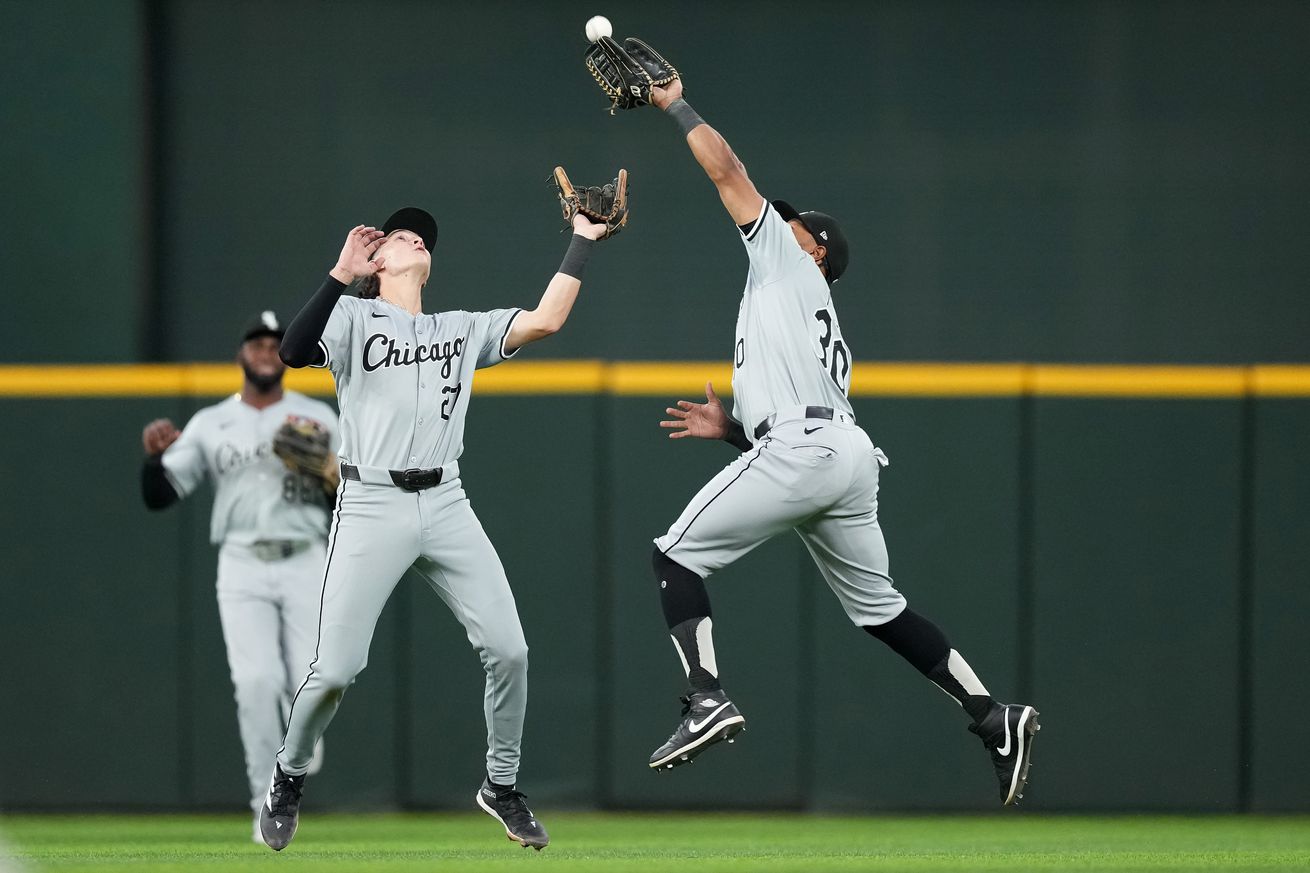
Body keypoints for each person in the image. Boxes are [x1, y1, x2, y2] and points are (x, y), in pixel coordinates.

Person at [632, 75, 1040, 805]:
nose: (773, 222)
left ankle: (707, 697)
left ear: (815, 251)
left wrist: (674, 105)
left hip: (809, 448)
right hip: (843, 456)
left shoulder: (785, 263)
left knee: (674, 552)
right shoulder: (792, 300)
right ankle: (993, 715)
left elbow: (726, 169)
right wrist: (734, 431)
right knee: (881, 609)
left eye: (793, 224)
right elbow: (796, 425)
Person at [259, 206, 610, 852]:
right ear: (379, 263)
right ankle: (289, 772)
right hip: (370, 501)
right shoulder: (352, 316)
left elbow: (548, 318)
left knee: (511, 649)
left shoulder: (460, 328)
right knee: (336, 667)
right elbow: (291, 352)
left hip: (446, 499)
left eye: (421, 236)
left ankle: (501, 785)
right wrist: (340, 274)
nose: (413, 236)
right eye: (398, 235)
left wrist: (584, 240)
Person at [140, 312, 339, 841]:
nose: (267, 350)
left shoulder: (318, 417)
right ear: (241, 355)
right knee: (255, 684)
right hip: (242, 561)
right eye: (257, 343)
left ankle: (297, 748)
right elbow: (159, 495)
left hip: (306, 556)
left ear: (288, 354)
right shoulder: (210, 423)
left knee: (319, 680)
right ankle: (264, 805)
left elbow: (354, 497)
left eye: (276, 343)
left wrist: (325, 472)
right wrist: (155, 461)